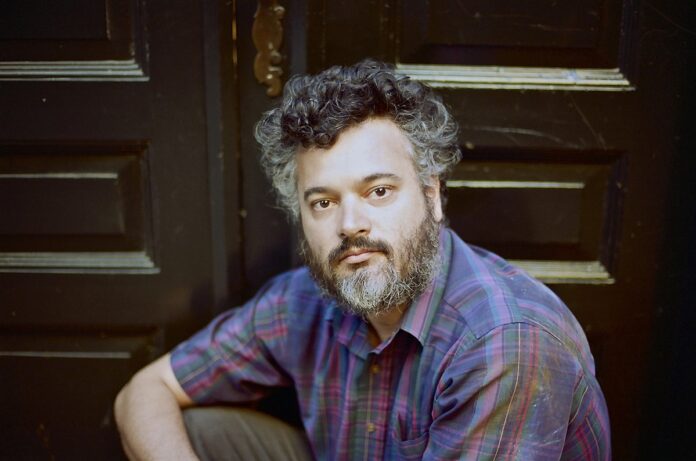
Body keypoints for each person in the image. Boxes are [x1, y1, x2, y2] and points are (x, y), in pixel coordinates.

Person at [114, 59, 611, 460]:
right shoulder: (302, 302)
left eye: (378, 191)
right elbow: (145, 390)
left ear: (432, 196)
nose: (350, 224)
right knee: (191, 432)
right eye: (323, 202)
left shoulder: (504, 341)